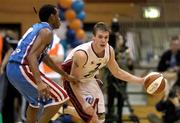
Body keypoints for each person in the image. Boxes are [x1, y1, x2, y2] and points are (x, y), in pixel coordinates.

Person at [61, 22, 146, 123]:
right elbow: (74, 81)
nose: (103, 40)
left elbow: (117, 72)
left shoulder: (109, 51)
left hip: (89, 79)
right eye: (100, 37)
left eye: (106, 37)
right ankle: (66, 109)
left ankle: (64, 109)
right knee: (92, 116)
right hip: (72, 80)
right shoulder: (82, 55)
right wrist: (83, 103)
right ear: (93, 37)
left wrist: (141, 80)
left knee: (100, 119)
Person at [6, 4, 77, 123]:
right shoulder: (46, 32)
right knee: (61, 96)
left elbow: (45, 58)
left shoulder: (39, 28)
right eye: (58, 16)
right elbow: (32, 55)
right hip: (21, 67)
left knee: (34, 103)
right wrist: (39, 83)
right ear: (51, 17)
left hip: (13, 69)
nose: (60, 19)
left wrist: (66, 76)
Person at [106, 34, 134, 123]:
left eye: (120, 39)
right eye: (117, 39)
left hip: (122, 79)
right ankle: (110, 119)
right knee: (110, 101)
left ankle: (119, 119)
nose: (118, 41)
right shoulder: (109, 50)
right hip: (111, 78)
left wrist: (129, 63)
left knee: (120, 101)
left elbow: (130, 66)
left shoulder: (127, 51)